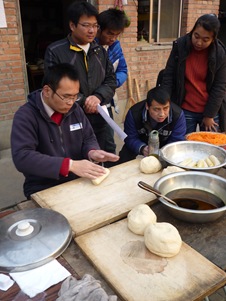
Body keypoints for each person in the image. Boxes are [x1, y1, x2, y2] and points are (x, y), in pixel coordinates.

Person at [11, 63, 119, 199]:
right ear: (47, 91)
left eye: (75, 96)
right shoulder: (26, 116)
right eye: (66, 97)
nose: (71, 102)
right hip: (43, 186)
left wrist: (92, 151)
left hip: (77, 180)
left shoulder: (75, 110)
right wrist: (69, 165)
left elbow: (88, 137)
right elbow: (23, 157)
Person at [44, 1, 117, 150]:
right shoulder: (55, 51)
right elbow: (54, 87)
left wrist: (99, 97)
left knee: (102, 154)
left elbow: (111, 80)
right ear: (72, 25)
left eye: (95, 26)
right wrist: (85, 101)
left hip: (99, 116)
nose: (92, 30)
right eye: (86, 25)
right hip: (70, 118)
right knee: (77, 158)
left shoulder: (100, 51)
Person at [161, 13, 226, 134]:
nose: (199, 42)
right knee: (184, 146)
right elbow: (169, 76)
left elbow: (220, 86)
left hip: (210, 110)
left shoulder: (219, 54)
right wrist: (165, 105)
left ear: (213, 39)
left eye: (205, 39)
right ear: (192, 31)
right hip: (184, 109)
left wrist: (209, 115)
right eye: (196, 36)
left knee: (209, 148)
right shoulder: (180, 46)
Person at [117, 86, 186, 163]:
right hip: (141, 140)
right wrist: (142, 148)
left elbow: (177, 140)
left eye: (166, 108)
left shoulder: (177, 115)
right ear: (147, 106)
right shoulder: (134, 113)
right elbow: (130, 137)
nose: (162, 114)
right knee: (123, 160)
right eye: (156, 109)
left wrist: (164, 153)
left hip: (165, 143)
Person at [95, 8, 130, 154]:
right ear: (99, 29)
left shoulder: (115, 47)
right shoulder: (92, 47)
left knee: (108, 143)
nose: (113, 38)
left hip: (105, 100)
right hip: (88, 102)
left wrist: (111, 84)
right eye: (109, 33)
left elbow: (123, 70)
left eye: (117, 35)